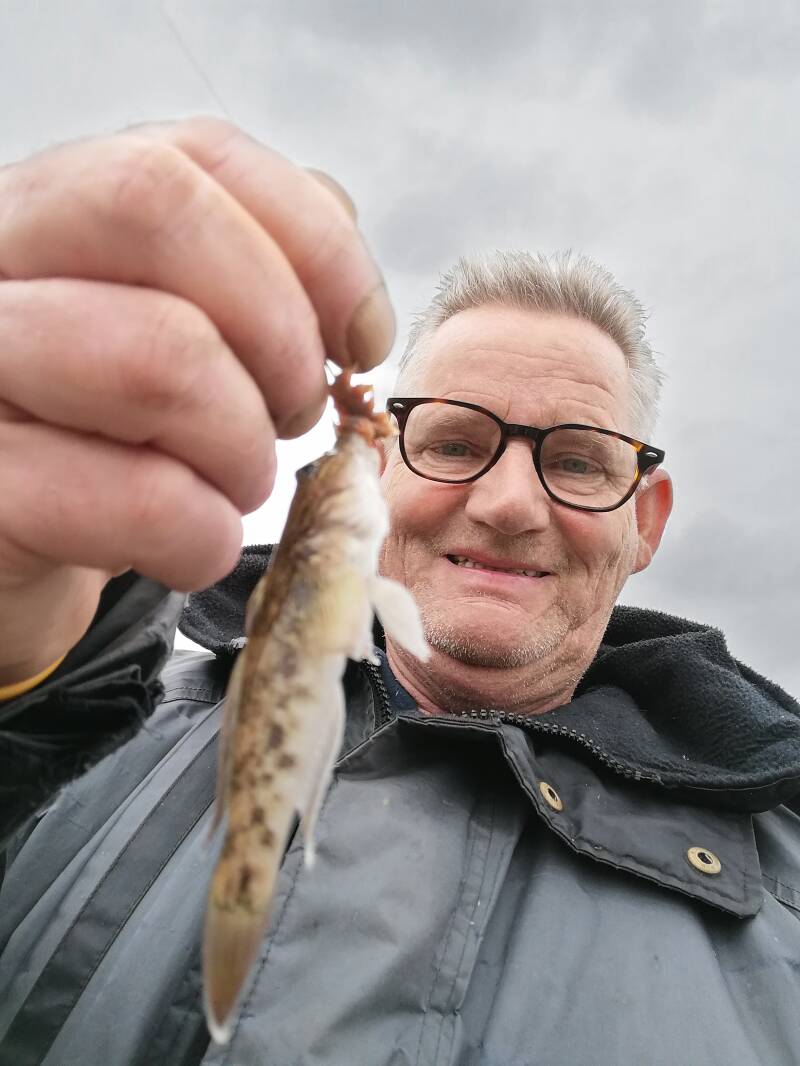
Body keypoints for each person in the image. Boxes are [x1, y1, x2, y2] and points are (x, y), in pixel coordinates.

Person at [0, 118, 799, 1066]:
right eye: (455, 443)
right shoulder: (74, 724)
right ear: (381, 473)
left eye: (580, 461)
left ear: (647, 522)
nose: (508, 505)